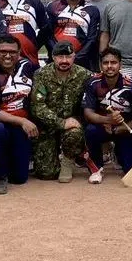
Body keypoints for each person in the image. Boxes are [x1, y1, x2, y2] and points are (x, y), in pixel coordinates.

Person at [0, 35, 38, 195]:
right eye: (3, 51)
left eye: (12, 52)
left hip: (20, 125)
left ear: (19, 53)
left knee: (19, 178)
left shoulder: (27, 67)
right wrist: (22, 121)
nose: (7, 56)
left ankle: (6, 161)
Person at [82, 47, 132, 183]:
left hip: (124, 129)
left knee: (129, 168)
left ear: (120, 65)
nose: (109, 66)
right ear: (100, 65)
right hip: (102, 127)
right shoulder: (92, 83)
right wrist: (108, 120)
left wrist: (119, 128)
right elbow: (88, 113)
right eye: (105, 63)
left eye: (113, 62)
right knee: (90, 130)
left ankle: (117, 153)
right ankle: (96, 168)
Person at [30, 41, 92, 182]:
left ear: (74, 57)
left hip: (72, 124)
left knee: (74, 133)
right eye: (60, 57)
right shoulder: (41, 74)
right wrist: (60, 122)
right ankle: (54, 158)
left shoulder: (85, 75)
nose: (64, 60)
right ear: (53, 57)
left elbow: (93, 99)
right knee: (46, 174)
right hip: (48, 125)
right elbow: (37, 106)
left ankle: (67, 162)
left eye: (68, 56)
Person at [46, 0, 101, 71]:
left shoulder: (92, 10)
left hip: (81, 65)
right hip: (56, 63)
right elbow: (48, 36)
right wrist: (59, 55)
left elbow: (92, 39)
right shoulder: (52, 6)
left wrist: (75, 58)